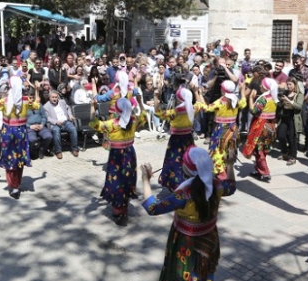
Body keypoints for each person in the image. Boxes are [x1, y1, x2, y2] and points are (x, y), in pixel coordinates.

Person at [141, 146, 236, 281]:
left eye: (184, 162)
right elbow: (231, 187)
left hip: (185, 244)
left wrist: (145, 180)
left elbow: (152, 208)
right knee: (202, 276)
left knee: (183, 277)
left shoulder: (182, 195)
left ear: (189, 169)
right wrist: (230, 164)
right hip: (208, 240)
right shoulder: (216, 185)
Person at [89, 97, 147, 226]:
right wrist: (141, 102)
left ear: (118, 109)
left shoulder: (112, 124)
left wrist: (93, 107)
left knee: (116, 182)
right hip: (130, 154)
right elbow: (144, 115)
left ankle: (119, 211)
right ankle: (123, 208)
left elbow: (94, 123)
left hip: (116, 156)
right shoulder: (133, 121)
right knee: (127, 181)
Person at [0, 76, 40, 199]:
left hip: (9, 134)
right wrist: (37, 90)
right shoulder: (25, 100)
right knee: (19, 160)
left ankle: (13, 186)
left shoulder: (4, 102)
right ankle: (16, 184)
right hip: (22, 133)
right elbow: (37, 105)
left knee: (10, 160)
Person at [195, 81, 247, 180]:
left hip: (221, 130)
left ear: (223, 89)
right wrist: (242, 90)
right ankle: (228, 173)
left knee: (218, 151)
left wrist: (200, 94)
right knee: (229, 151)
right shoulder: (236, 99)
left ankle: (221, 175)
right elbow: (243, 103)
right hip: (233, 129)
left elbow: (206, 108)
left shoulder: (221, 101)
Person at [152, 86, 195, 190]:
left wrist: (155, 96)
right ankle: (190, 182)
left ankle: (176, 185)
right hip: (188, 139)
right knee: (188, 160)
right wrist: (198, 92)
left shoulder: (174, 112)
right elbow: (203, 106)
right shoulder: (193, 108)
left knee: (175, 162)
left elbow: (157, 113)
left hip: (176, 141)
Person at [242, 78, 278, 182]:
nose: (260, 86)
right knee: (264, 149)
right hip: (270, 126)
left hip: (261, 127)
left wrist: (251, 98)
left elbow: (254, 110)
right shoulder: (274, 97)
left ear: (265, 87)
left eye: (262, 85)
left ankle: (265, 172)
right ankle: (259, 170)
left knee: (259, 150)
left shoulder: (263, 99)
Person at [44, 90, 79, 158]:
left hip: (65, 121)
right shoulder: (46, 106)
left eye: (56, 97)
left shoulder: (62, 102)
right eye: (53, 97)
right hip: (55, 124)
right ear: (49, 98)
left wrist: (70, 115)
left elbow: (68, 108)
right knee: (56, 131)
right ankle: (58, 151)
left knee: (73, 129)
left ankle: (74, 149)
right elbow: (47, 118)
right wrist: (55, 121)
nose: (54, 99)